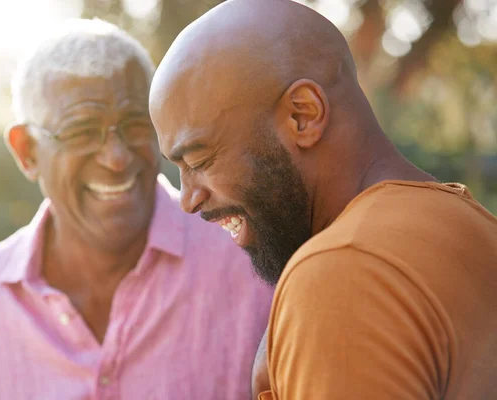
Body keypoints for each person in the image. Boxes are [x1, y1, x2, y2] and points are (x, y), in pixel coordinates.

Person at [149, 0, 497, 399]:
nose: (188, 200)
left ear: (303, 115)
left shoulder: (345, 272)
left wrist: (321, 297)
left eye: (198, 159)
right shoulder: (468, 224)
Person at [0, 18, 273, 400]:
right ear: (27, 151)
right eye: (81, 131)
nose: (117, 157)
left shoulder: (254, 267)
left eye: (135, 123)